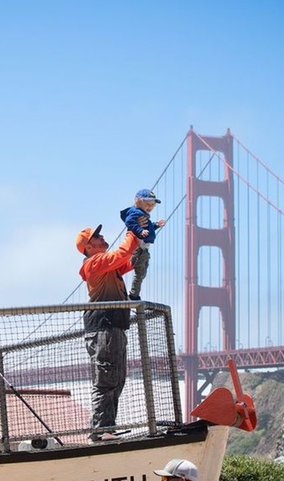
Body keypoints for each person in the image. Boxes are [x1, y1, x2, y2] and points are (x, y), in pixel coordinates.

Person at [76, 223, 139, 442]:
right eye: (97, 237)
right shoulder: (95, 263)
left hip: (114, 327)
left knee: (116, 379)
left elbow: (127, 260)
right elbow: (123, 253)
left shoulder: (104, 266)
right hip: (105, 328)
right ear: (88, 246)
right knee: (106, 380)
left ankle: (107, 428)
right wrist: (133, 229)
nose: (102, 237)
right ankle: (102, 430)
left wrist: (144, 241)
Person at [120, 189, 166, 300]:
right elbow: (129, 222)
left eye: (152, 205)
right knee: (140, 273)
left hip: (144, 249)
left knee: (143, 272)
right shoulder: (136, 212)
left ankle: (133, 294)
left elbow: (148, 228)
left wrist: (156, 225)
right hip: (139, 248)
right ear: (138, 201)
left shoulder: (143, 214)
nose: (150, 207)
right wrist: (139, 231)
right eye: (148, 204)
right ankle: (133, 295)